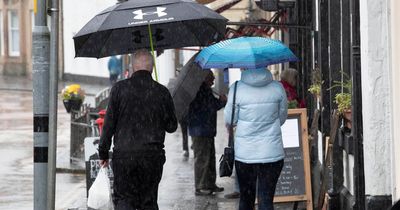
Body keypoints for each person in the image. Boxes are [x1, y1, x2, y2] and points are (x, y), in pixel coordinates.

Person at [99, 49, 178, 210]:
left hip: (124, 156)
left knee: (124, 200)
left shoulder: (119, 89)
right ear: (152, 68)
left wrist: (103, 152)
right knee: (148, 201)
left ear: (133, 67)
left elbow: (109, 125)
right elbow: (171, 126)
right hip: (152, 157)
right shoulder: (162, 92)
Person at [224, 68, 288, 210]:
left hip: (245, 155)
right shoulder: (277, 87)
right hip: (272, 153)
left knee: (246, 199)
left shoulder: (236, 88)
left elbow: (230, 119)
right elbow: (282, 117)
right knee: (266, 199)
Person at [188, 70, 227, 195]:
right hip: (201, 130)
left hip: (206, 129)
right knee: (202, 159)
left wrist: (220, 101)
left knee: (210, 158)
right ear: (205, 78)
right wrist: (221, 101)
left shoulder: (205, 90)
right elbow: (211, 106)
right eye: (212, 78)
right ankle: (200, 186)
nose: (214, 81)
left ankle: (210, 184)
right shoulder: (200, 91)